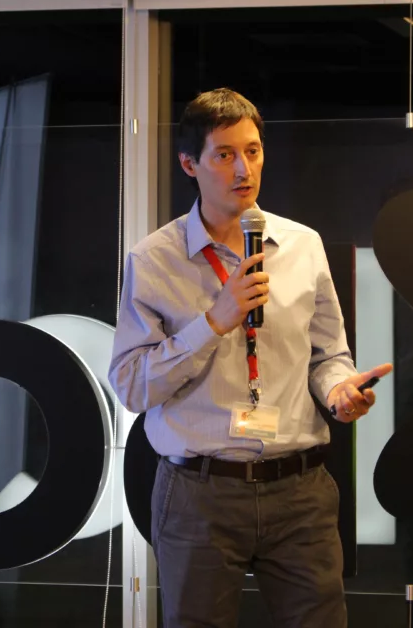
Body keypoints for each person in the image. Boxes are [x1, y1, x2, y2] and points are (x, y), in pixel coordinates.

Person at [108, 87, 392, 628]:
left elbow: (327, 354)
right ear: (189, 164)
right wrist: (213, 322)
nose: (244, 169)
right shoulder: (154, 260)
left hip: (300, 490)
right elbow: (131, 386)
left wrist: (339, 390)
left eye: (253, 151)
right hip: (199, 491)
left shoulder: (303, 245)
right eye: (224, 154)